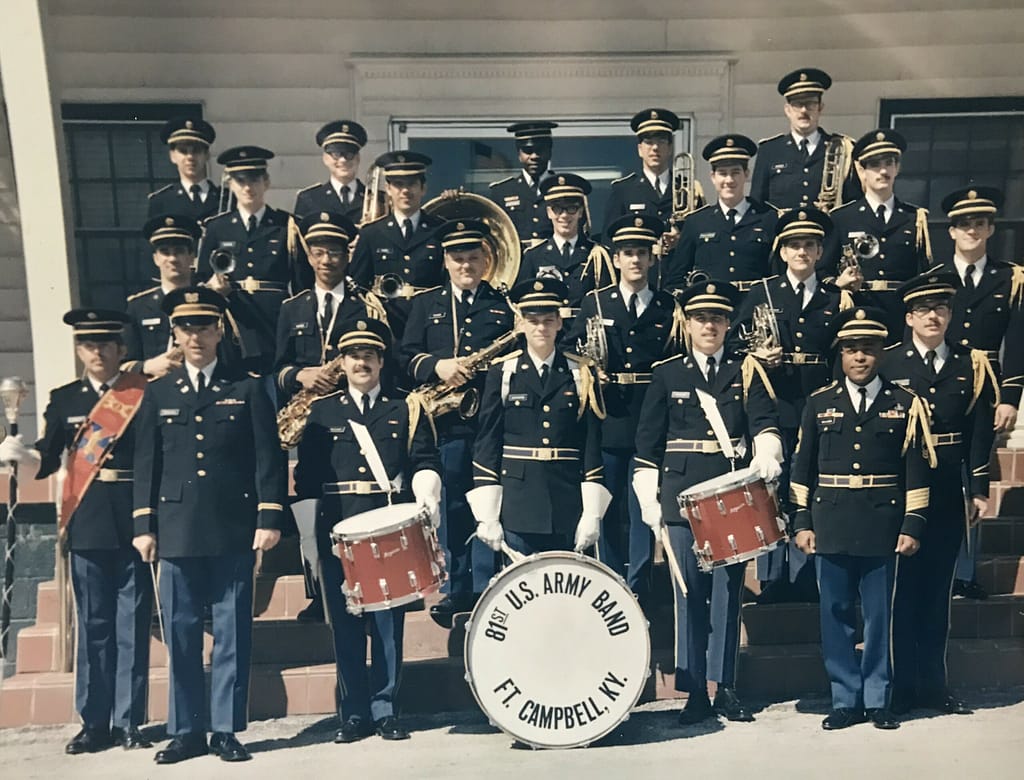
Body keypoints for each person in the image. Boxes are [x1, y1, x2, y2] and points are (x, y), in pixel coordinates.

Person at [132, 287, 287, 764]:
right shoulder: (158, 393)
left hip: (231, 525)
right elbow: (147, 464)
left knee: (231, 629)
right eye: (186, 327)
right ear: (174, 335)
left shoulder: (247, 387)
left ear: (220, 330)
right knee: (178, 632)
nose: (195, 335)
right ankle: (185, 730)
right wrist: (145, 524)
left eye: (204, 325)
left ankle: (224, 729)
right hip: (176, 529)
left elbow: (268, 457)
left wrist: (270, 516)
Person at [0, 310, 152, 753]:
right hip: (86, 523)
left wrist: (147, 524)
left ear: (122, 350)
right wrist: (21, 454)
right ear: (79, 350)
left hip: (131, 521)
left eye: (106, 343)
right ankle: (95, 722)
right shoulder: (64, 399)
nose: (98, 352)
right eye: (89, 344)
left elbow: (147, 462)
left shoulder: (139, 395)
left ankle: (129, 721)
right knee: (95, 627)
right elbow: (49, 458)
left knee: (132, 625)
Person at [633, 280, 783, 725]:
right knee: (688, 595)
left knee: (727, 595)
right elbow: (648, 444)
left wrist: (767, 452)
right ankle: (695, 689)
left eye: (717, 318)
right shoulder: (667, 373)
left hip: (731, 497)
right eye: (701, 318)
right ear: (688, 324)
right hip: (681, 498)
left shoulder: (747, 369)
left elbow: (765, 422)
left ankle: (727, 687)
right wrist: (647, 496)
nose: (710, 326)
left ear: (728, 323)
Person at [294, 318, 442, 743]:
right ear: (342, 362)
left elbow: (424, 460)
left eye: (370, 355)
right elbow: (307, 479)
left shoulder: (404, 406)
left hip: (386, 523)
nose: (362, 362)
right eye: (354, 355)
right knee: (344, 623)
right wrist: (308, 537)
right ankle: (354, 712)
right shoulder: (321, 412)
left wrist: (426, 491)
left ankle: (386, 710)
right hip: (338, 525)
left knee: (387, 623)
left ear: (381, 361)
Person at [790, 306, 933, 731]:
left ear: (881, 354)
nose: (859, 358)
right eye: (851, 350)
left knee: (878, 616)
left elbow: (917, 469)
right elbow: (803, 468)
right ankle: (844, 699)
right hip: (830, 521)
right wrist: (801, 521)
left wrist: (913, 524)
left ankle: (877, 698)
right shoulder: (819, 404)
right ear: (840, 354)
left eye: (868, 350)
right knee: (834, 613)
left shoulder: (905, 404)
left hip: (882, 525)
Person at [883, 272, 996, 717]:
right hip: (902, 493)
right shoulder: (890, 363)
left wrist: (980, 488)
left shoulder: (972, 365)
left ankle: (934, 686)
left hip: (949, 488)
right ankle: (900, 688)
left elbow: (980, 432)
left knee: (937, 592)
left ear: (950, 315)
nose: (934, 316)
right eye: (924, 309)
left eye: (942, 308)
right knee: (900, 592)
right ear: (909, 317)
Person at [731, 207, 856, 603]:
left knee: (810, 490)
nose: (801, 252)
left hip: (819, 404)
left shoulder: (837, 298)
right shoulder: (762, 293)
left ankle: (806, 573)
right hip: (774, 402)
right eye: (793, 245)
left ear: (820, 252)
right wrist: (756, 354)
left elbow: (845, 353)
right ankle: (771, 577)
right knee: (773, 490)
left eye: (809, 245)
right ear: (782, 252)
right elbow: (734, 344)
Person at [274, 210, 388, 623]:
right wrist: (300, 376)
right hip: (311, 422)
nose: (327, 260)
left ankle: (373, 585)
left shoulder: (365, 306)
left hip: (354, 418)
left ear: (346, 257)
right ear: (309, 256)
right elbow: (278, 367)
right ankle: (317, 593)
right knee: (309, 508)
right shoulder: (292, 308)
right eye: (319, 252)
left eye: (335, 252)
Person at [401, 219, 515, 627]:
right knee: (450, 505)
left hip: (487, 419)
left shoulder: (504, 307)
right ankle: (455, 587)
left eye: (472, 258)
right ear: (446, 263)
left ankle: (487, 584)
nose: (465, 265)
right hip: (443, 423)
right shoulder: (425, 304)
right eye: (457, 258)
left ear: (486, 261)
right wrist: (438, 366)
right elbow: (405, 357)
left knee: (487, 497)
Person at [566, 213, 683, 601]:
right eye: (627, 253)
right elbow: (570, 349)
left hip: (651, 418)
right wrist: (586, 371)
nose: (635, 260)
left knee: (643, 507)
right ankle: (610, 582)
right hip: (608, 417)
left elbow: (676, 358)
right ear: (615, 259)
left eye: (642, 253)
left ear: (653, 259)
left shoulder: (669, 307)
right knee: (607, 505)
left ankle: (639, 585)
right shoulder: (594, 303)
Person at [468, 278, 611, 556]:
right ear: (521, 324)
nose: (541, 328)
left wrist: (592, 512)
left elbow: (591, 445)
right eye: (533, 321)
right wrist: (488, 514)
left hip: (566, 499)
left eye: (548, 320)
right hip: (518, 502)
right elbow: (487, 442)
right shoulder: (504, 372)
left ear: (559, 323)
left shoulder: (581, 373)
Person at [927, 186, 1024, 599]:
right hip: (943, 381)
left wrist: (1010, 396)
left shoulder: (1010, 277)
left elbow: (1019, 342)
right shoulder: (934, 277)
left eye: (979, 223)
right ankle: (934, 563)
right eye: (963, 224)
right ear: (951, 231)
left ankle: (965, 573)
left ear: (990, 229)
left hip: (987, 386)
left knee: (976, 472)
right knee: (943, 468)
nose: (972, 231)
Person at [822, 129, 932, 341]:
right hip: (859, 312)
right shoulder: (842, 218)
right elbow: (821, 271)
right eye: (874, 165)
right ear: (862, 171)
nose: (883, 171)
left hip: (901, 318)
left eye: (889, 163)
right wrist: (838, 283)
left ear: (897, 168)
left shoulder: (914, 218)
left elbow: (923, 273)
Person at [197, 145, 296, 374]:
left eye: (254, 179)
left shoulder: (286, 225)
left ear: (266, 182)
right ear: (230, 184)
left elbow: (300, 282)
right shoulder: (217, 227)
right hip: (233, 322)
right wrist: (212, 286)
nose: (248, 187)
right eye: (240, 181)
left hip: (275, 321)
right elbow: (201, 277)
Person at [123, 214, 250, 378]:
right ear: (156, 258)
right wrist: (147, 366)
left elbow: (232, 356)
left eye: (179, 251)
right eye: (165, 252)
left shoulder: (212, 302)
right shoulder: (138, 307)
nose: (173, 259)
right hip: (154, 391)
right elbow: (122, 364)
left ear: (192, 257)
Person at [664, 135, 779, 294]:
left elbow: (779, 273)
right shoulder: (696, 222)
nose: (729, 180)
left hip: (754, 309)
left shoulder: (768, 218)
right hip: (710, 312)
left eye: (735, 172)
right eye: (722, 173)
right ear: (713, 177)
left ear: (746, 174)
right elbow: (676, 278)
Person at [348, 151, 444, 339]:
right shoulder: (371, 233)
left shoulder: (439, 230)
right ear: (388, 189)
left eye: (412, 184)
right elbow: (358, 287)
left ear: (423, 188)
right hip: (387, 326)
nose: (405, 191)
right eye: (398, 184)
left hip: (429, 325)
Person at [750, 68, 861, 211]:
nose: (803, 110)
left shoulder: (841, 149)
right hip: (780, 232)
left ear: (820, 108)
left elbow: (853, 203)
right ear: (787, 110)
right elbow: (757, 205)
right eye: (797, 104)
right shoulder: (769, 151)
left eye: (810, 103)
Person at [517, 173, 611, 319]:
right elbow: (521, 306)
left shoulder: (597, 255)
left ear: (580, 212)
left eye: (571, 209)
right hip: (548, 336)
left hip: (586, 337)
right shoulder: (533, 256)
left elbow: (607, 305)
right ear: (549, 212)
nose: (564, 216)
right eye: (557, 209)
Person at [603, 108, 687, 228]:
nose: (655, 148)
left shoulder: (686, 189)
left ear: (670, 148)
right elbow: (609, 238)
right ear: (640, 149)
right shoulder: (622, 191)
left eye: (661, 141)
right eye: (648, 142)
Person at [489, 121, 558, 246]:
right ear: (519, 154)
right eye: (528, 150)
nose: (534, 156)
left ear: (549, 152)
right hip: (518, 263)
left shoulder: (563, 188)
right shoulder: (502, 191)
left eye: (540, 150)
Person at [293, 120, 368, 224]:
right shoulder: (309, 198)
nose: (343, 160)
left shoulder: (376, 199)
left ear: (358, 158)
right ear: (325, 159)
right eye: (336, 154)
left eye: (349, 154)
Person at [148, 118, 222, 221]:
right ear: (172, 156)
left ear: (207, 155)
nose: (190, 157)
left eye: (196, 151)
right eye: (183, 151)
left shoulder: (225, 199)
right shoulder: (161, 201)